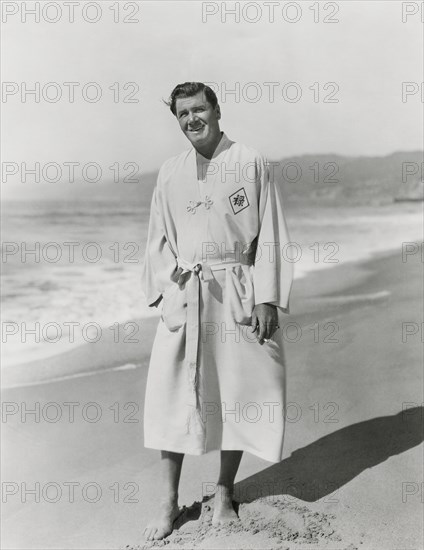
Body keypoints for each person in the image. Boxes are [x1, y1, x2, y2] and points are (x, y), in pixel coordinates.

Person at [141, 82, 293, 541]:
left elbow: (270, 232)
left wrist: (267, 297)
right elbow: (156, 239)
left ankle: (225, 491)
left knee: (238, 392)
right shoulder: (170, 172)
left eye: (199, 109)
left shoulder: (251, 162)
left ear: (217, 110)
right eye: (182, 113)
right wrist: (163, 293)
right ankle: (169, 500)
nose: (191, 119)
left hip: (237, 289)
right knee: (173, 395)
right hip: (186, 292)